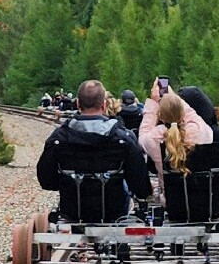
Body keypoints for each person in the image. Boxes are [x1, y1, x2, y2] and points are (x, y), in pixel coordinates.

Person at [37, 79, 153, 222]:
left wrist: (65, 184)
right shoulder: (124, 139)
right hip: (114, 213)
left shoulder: (58, 139)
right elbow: (140, 184)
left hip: (73, 211)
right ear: (104, 105)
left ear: (78, 104)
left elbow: (46, 180)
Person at [138, 77, 213, 204]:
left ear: (160, 116)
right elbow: (192, 114)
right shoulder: (200, 131)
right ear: (183, 113)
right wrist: (173, 98)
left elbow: (143, 133)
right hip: (204, 201)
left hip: (172, 203)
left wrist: (153, 102)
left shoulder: (154, 138)